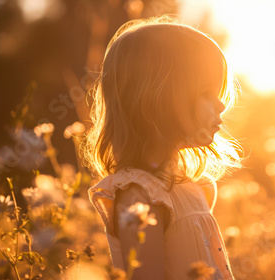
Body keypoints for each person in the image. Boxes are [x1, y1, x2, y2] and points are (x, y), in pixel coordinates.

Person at [84, 14, 246, 280]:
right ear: (156, 103)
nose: (221, 105)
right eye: (205, 94)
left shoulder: (196, 187)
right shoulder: (139, 198)